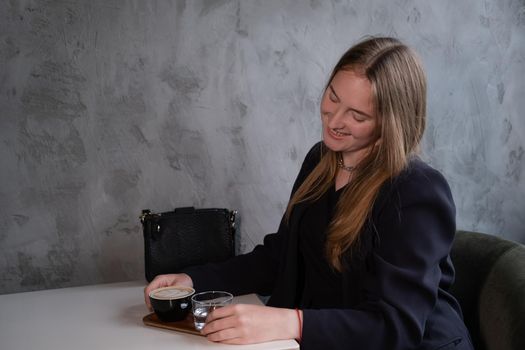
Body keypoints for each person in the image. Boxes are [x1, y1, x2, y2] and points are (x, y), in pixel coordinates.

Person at [144, 36, 474, 350]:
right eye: (333, 96)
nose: (334, 120)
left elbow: (395, 328)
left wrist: (290, 323)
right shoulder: (321, 160)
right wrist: (192, 280)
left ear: (391, 123)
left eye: (357, 115)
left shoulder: (417, 192)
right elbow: (281, 257)